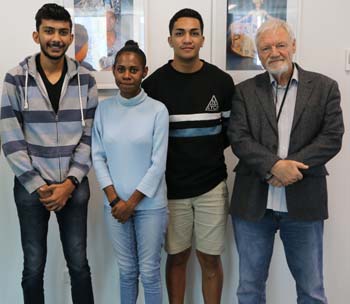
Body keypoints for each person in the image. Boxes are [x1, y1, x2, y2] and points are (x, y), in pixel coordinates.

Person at [227, 18, 344, 303]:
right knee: (249, 289)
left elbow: (332, 137)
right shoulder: (244, 91)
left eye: (280, 44)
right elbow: (238, 137)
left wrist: (290, 167)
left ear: (293, 45)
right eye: (266, 48)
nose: (274, 52)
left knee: (312, 291)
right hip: (253, 205)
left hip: (304, 203)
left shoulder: (325, 87)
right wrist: (273, 166)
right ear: (258, 53)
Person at [0, 3, 97, 304]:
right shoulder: (15, 78)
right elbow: (10, 136)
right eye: (49, 31)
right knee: (33, 267)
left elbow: (89, 137)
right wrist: (40, 187)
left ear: (71, 38)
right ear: (36, 34)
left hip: (74, 187)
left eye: (62, 32)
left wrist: (69, 183)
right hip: (32, 189)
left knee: (79, 265)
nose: (56, 38)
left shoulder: (87, 80)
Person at [142, 8, 235, 304]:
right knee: (177, 257)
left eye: (194, 33)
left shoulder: (221, 82)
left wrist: (202, 155)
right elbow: (149, 142)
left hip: (211, 186)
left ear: (203, 39)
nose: (187, 39)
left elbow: (229, 133)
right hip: (170, 189)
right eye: (180, 33)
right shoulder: (153, 86)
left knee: (210, 260)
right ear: (170, 39)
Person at [92, 40, 169, 304]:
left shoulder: (158, 110)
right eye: (121, 69)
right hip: (113, 206)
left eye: (133, 70)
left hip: (150, 205)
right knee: (126, 272)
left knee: (149, 273)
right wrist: (116, 201)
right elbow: (98, 157)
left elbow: (158, 164)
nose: (127, 75)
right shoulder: (103, 110)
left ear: (144, 71)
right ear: (113, 70)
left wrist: (131, 203)